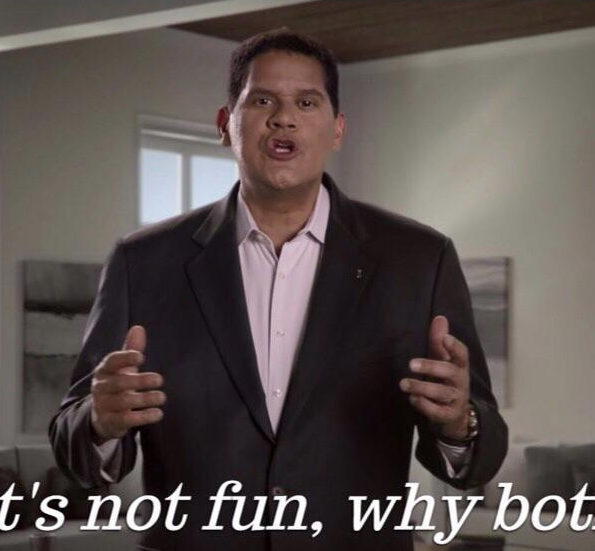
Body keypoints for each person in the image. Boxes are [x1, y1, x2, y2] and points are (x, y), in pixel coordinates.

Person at [49, 29, 508, 551]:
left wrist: (459, 422)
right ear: (225, 124)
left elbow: (480, 458)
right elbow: (73, 447)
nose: (284, 118)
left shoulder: (420, 260)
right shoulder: (143, 263)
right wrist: (99, 424)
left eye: (306, 103)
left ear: (337, 129)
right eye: (263, 100)